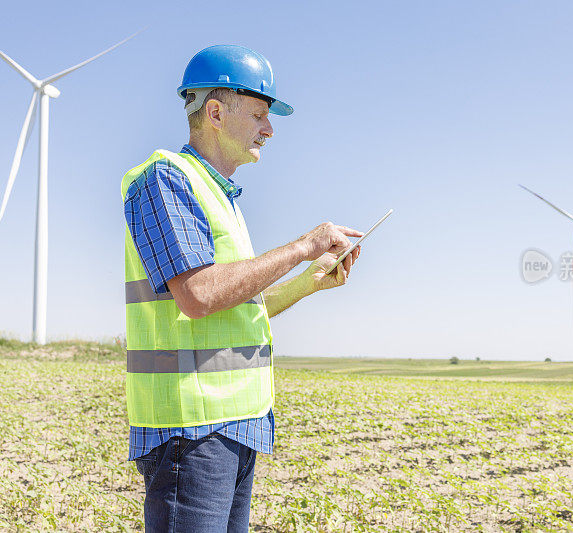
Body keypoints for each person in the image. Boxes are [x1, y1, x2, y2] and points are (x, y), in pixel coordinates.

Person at [120, 45, 362, 532]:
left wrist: (309, 283)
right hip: (191, 428)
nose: (269, 130)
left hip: (235, 424)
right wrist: (301, 247)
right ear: (214, 112)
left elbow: (237, 306)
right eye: (258, 115)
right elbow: (200, 295)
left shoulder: (221, 198)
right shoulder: (165, 179)